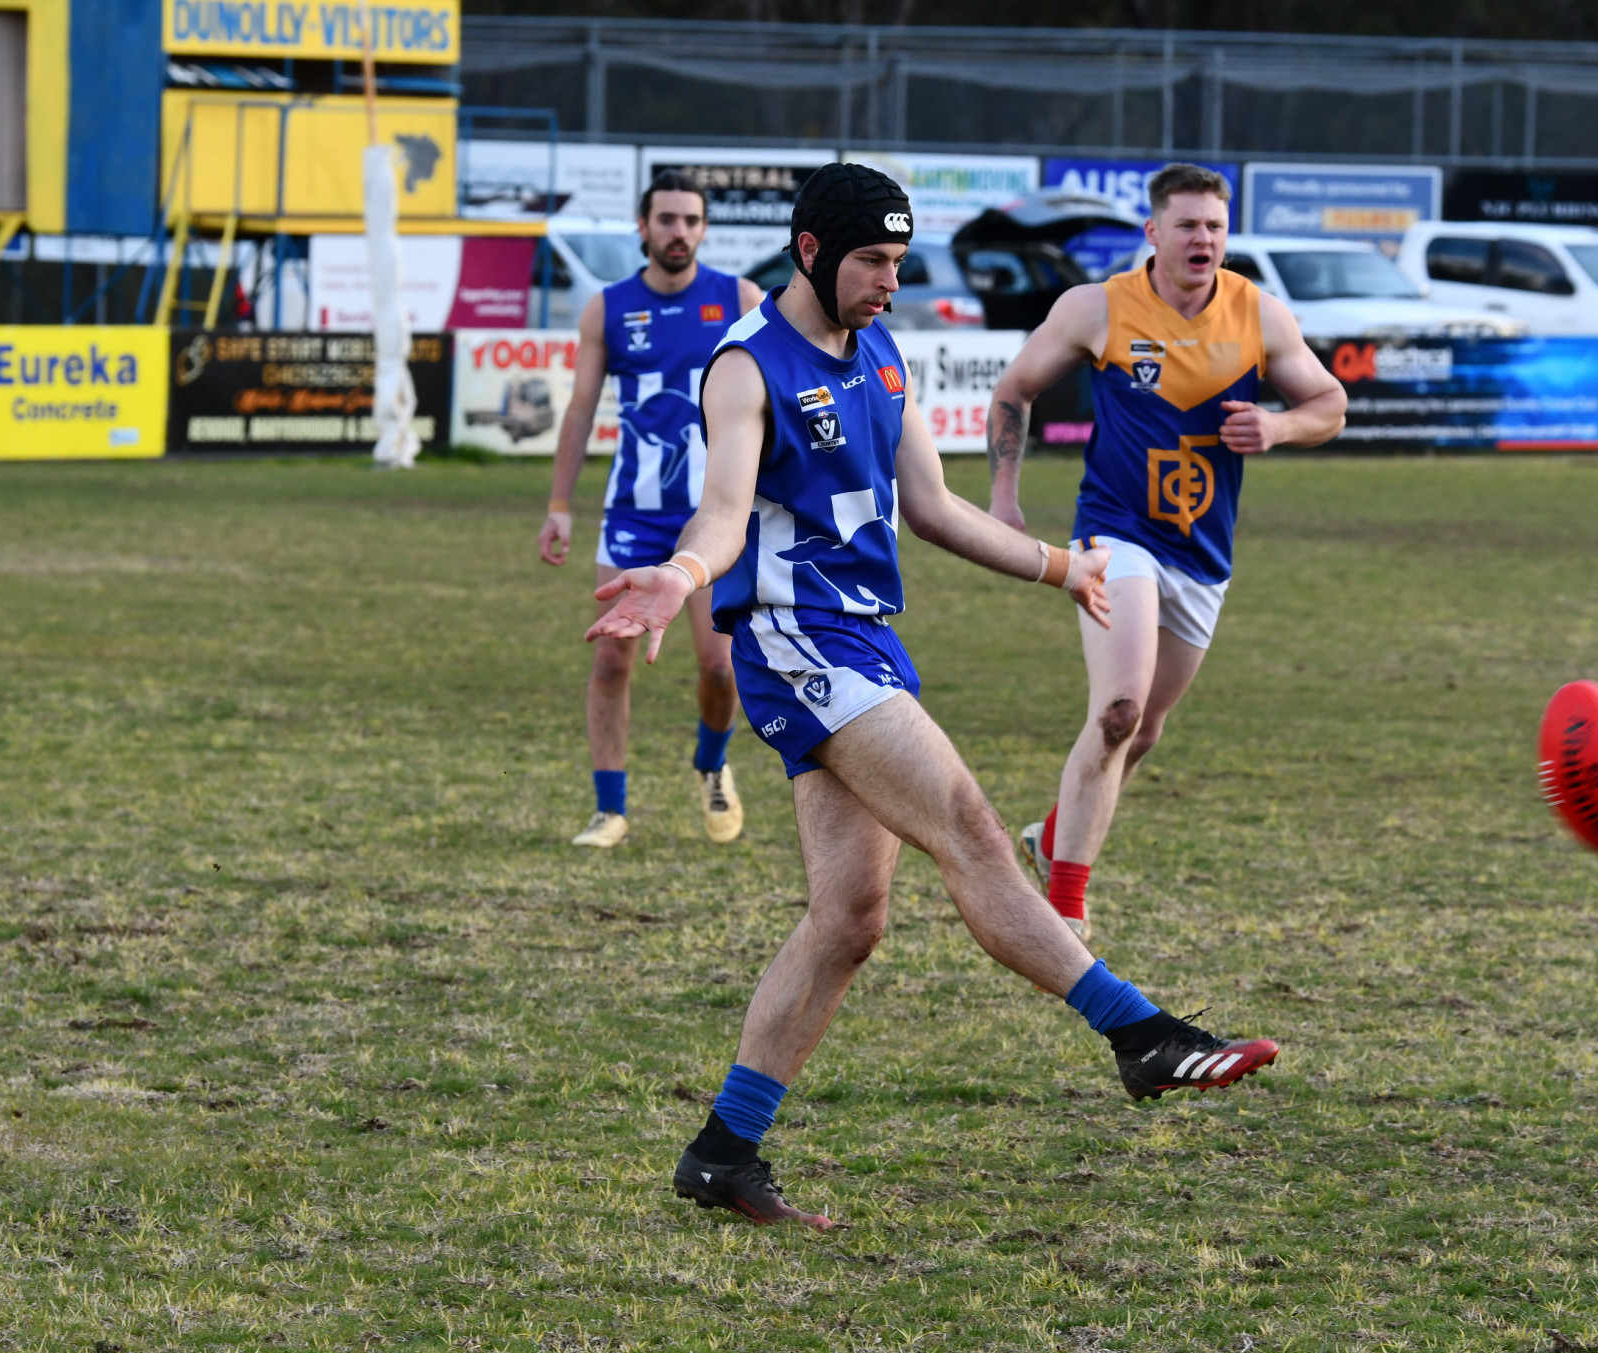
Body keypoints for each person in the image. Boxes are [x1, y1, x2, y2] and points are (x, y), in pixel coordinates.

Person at [585, 163, 1282, 1228]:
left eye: (899, 262)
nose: (888, 281)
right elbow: (723, 514)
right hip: (793, 642)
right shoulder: (745, 366)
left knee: (849, 920)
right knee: (969, 827)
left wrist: (1061, 566)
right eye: (871, 259)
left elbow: (935, 507)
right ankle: (1142, 1036)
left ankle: (723, 1152)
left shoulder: (880, 354)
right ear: (812, 251)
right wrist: (679, 577)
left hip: (863, 641)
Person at [983, 163, 1348, 939]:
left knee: (1143, 730)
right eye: (1187, 225)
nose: (1203, 240)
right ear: (1153, 233)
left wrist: (1278, 427)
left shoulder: (1258, 313)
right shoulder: (1099, 307)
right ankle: (1067, 910)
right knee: (1117, 710)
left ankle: (1050, 839)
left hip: (1203, 551)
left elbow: (1330, 405)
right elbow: (1014, 388)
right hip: (1117, 532)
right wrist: (1004, 499)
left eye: (1215, 226)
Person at [539, 171, 766, 848]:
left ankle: (713, 763)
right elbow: (580, 409)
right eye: (667, 219)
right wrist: (559, 505)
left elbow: (778, 393)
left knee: (720, 665)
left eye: (692, 221)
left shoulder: (741, 299)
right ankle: (610, 808)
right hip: (632, 514)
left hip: (714, 517)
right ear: (643, 227)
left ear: (703, 229)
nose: (680, 232)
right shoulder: (607, 307)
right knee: (611, 659)